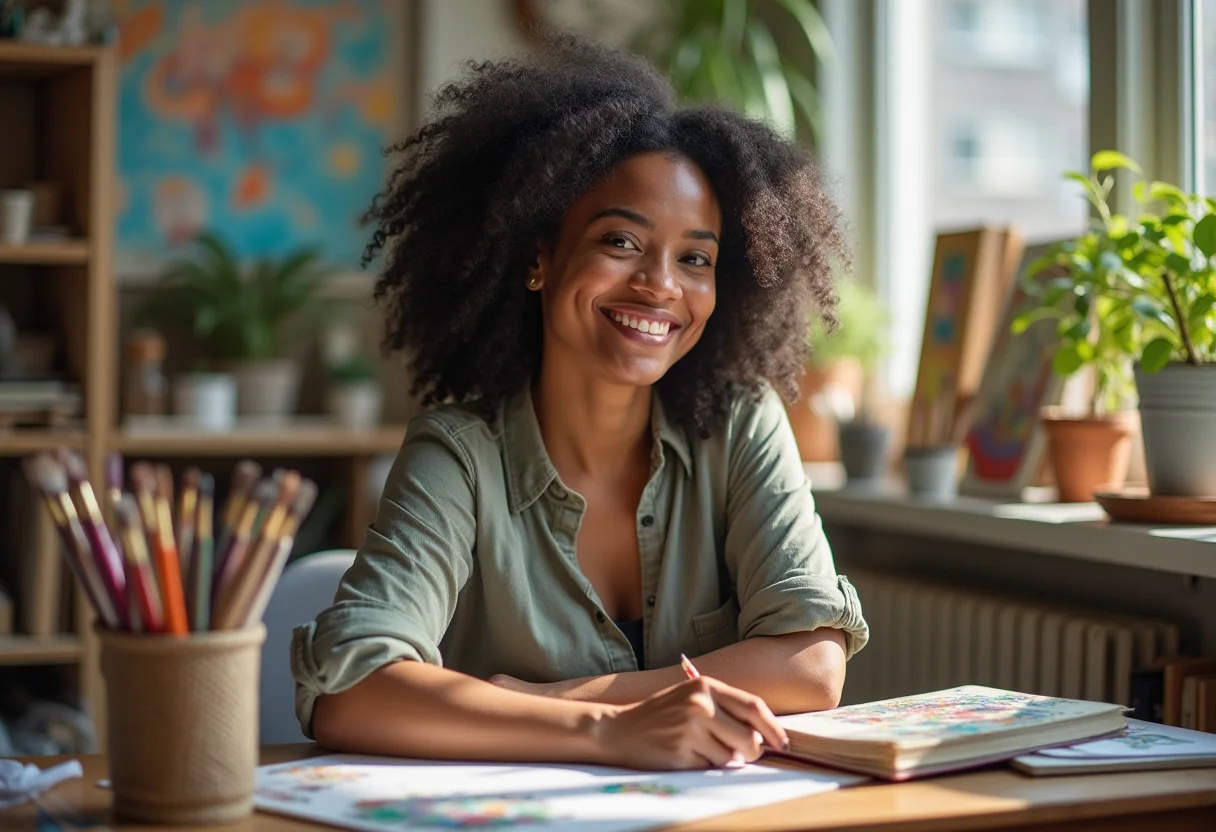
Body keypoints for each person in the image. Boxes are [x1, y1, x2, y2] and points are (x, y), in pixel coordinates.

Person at [292, 35, 868, 771]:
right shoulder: (459, 457)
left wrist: (562, 699)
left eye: (696, 258)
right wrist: (604, 731)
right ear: (539, 255)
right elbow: (351, 693)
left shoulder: (740, 426)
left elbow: (811, 666)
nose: (661, 285)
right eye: (621, 241)